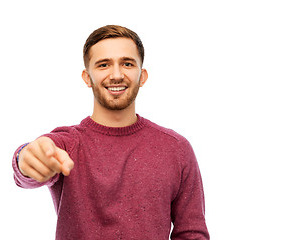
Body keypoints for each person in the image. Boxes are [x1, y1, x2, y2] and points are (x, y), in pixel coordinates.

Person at [12, 25, 210, 239]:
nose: (116, 75)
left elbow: (191, 233)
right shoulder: (66, 144)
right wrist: (25, 157)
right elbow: (30, 165)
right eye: (103, 65)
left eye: (127, 63)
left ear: (142, 76)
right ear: (87, 77)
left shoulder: (176, 148)